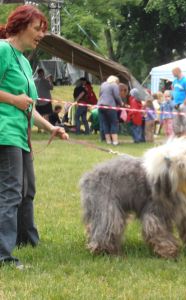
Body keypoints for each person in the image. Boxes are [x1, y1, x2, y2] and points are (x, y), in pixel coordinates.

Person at [0, 5, 68, 269]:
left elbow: (27, 105)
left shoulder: (25, 61)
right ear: (21, 24)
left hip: (20, 133)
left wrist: (50, 127)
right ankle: (3, 255)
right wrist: (13, 99)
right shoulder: (3, 50)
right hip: (4, 132)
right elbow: (18, 101)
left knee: (27, 190)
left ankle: (25, 239)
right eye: (38, 29)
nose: (41, 35)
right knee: (10, 191)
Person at [98, 75, 124, 145]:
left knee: (105, 123)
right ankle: (115, 142)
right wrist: (121, 103)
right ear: (115, 81)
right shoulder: (114, 85)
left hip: (100, 106)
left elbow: (100, 94)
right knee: (114, 123)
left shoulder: (103, 84)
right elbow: (117, 96)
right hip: (110, 106)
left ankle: (108, 141)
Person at [171, 67, 186, 138]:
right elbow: (173, 90)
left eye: (173, 72)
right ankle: (178, 137)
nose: (172, 74)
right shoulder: (175, 81)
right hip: (176, 104)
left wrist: (184, 104)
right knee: (175, 121)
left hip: (184, 104)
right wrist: (173, 100)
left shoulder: (185, 81)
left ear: (177, 71)